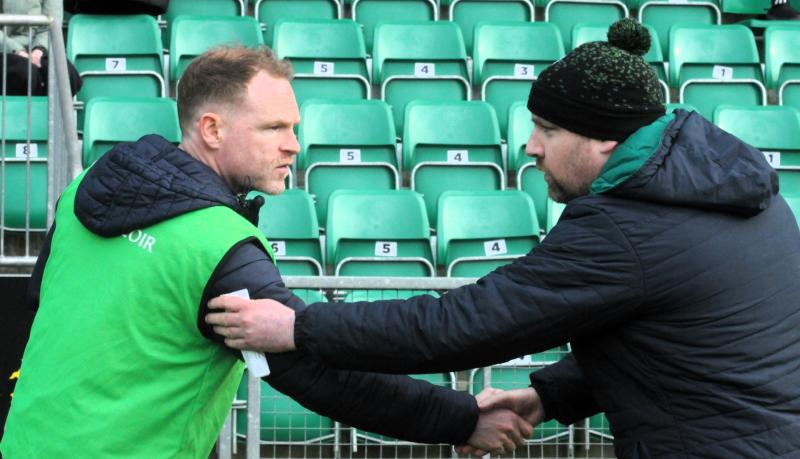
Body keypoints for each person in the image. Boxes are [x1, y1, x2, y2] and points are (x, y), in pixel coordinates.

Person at [207, 19, 800, 459]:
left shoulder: (626, 227)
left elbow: (458, 326)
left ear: (601, 141)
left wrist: (298, 327)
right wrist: (547, 397)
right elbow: (676, 347)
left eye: (547, 129)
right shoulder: (749, 196)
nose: (532, 146)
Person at [0, 46, 535, 457]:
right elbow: (319, 374)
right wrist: (461, 418)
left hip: (25, 440)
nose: (294, 145)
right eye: (275, 127)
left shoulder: (85, 187)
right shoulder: (221, 245)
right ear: (212, 128)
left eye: (295, 128)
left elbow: (40, 296)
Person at [1, 0, 81, 96]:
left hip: (39, 46)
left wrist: (39, 50)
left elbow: (52, 22)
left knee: (66, 75)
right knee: (25, 73)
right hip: (5, 46)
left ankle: (48, 111)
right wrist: (17, 50)